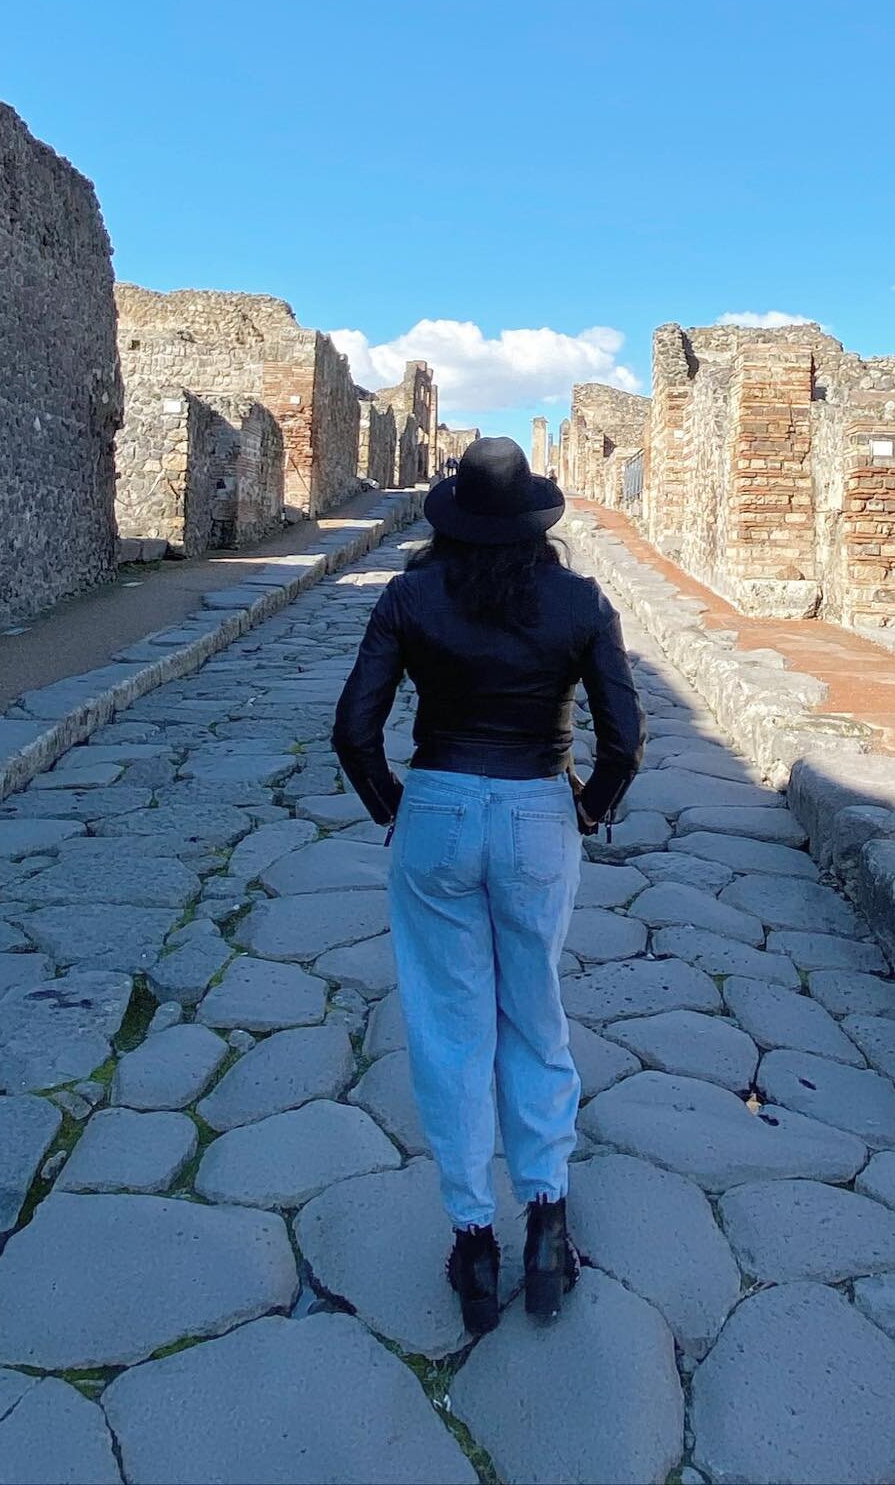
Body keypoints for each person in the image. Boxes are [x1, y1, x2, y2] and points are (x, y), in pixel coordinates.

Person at [333, 436, 644, 1333]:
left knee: (449, 1029)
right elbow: (623, 738)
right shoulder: (580, 601)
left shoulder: (410, 596)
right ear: (534, 520)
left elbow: (356, 728)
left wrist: (396, 804)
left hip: (436, 807)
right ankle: (546, 1222)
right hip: (536, 810)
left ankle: (474, 1240)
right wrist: (592, 809)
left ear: (456, 518)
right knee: (535, 1016)